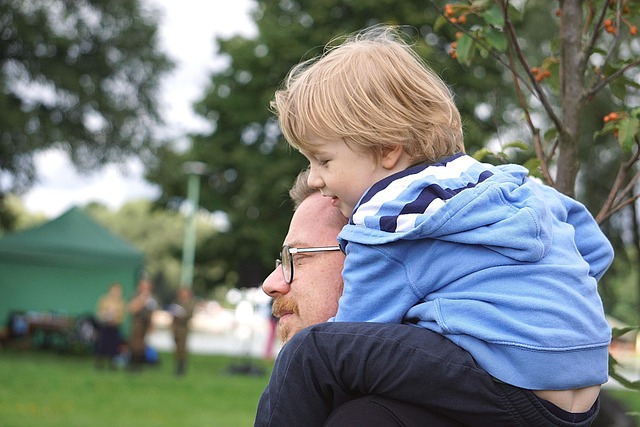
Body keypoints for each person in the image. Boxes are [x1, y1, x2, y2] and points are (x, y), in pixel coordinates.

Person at [256, 25, 614, 426]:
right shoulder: (507, 183)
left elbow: (354, 333)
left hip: (508, 378)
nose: (317, 178)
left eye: (322, 160)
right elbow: (595, 247)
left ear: (388, 149)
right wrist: (556, 307)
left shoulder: (388, 225)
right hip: (581, 385)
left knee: (314, 352)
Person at [127, 278, 158, 372]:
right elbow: (132, 309)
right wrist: (142, 299)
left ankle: (139, 364)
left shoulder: (152, 298)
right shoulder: (136, 295)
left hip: (146, 323)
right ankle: (133, 364)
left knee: (142, 344)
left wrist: (152, 325)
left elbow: (152, 312)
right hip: (137, 323)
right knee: (135, 343)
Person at [94, 282, 126, 370]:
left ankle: (112, 364)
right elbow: (99, 313)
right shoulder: (104, 300)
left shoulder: (121, 302)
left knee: (114, 346)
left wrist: (116, 319)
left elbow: (123, 315)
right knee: (102, 345)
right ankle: (99, 363)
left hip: (115, 327)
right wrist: (105, 316)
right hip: (105, 326)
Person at [169, 286, 195, 376]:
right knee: (176, 348)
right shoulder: (177, 302)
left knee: (182, 348)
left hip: (183, 329)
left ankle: (181, 367)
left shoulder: (190, 303)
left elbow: (188, 315)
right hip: (176, 328)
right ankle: (177, 365)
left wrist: (181, 314)